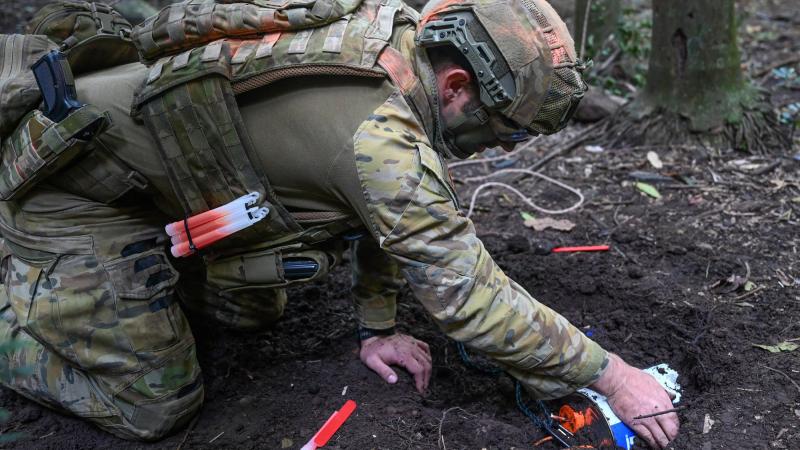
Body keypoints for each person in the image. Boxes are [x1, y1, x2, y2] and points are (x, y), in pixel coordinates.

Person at [0, 0, 679, 447]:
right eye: (501, 134)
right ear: (457, 88)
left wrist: (377, 327)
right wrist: (615, 377)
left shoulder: (397, 38)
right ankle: (18, 308)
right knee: (154, 406)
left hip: (157, 189)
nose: (497, 150)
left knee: (255, 307)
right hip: (73, 194)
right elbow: (469, 299)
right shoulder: (381, 141)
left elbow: (380, 215)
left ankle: (130, 285)